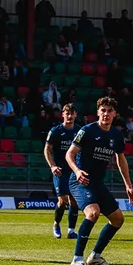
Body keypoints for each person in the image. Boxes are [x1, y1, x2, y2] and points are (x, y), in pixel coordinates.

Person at [66, 97, 133, 265]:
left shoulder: (116, 135)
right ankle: (77, 259)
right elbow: (69, 154)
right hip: (80, 181)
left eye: (109, 111)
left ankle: (95, 256)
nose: (106, 114)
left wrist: (128, 186)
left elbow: (121, 161)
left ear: (115, 114)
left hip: (97, 183)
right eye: (103, 110)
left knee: (117, 219)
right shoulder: (87, 130)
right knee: (93, 213)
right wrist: (77, 171)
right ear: (98, 112)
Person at [45, 103, 80, 240]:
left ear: (76, 115)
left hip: (74, 171)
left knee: (74, 201)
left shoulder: (80, 131)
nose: (70, 116)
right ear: (63, 115)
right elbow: (47, 149)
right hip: (60, 171)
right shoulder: (56, 131)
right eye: (67, 113)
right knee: (63, 200)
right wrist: (52, 166)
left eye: (72, 113)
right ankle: (56, 224)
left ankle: (71, 230)